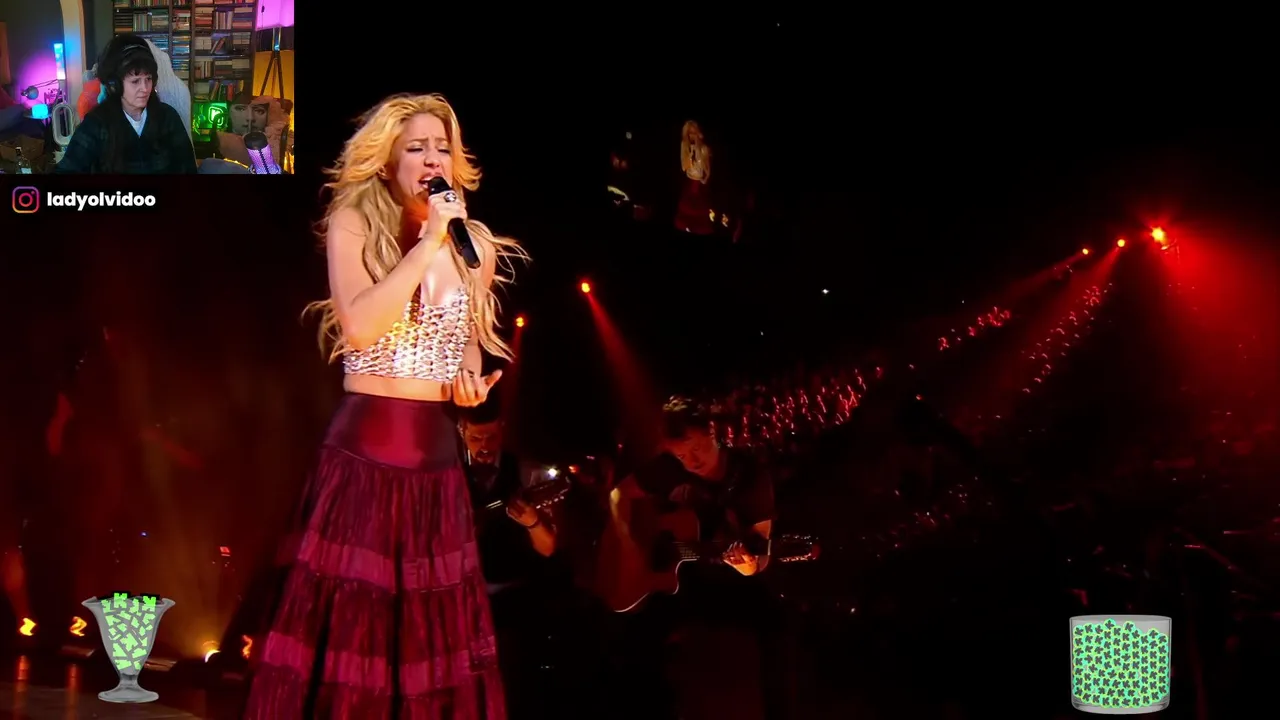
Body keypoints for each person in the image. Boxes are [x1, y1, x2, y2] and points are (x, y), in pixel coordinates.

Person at [243, 93, 527, 719]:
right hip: (365, 453)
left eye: (442, 147)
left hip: (435, 460)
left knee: (426, 636)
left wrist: (469, 385)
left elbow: (466, 350)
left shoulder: (473, 246)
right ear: (388, 159)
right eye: (417, 147)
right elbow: (362, 326)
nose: (433, 159)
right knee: (354, 629)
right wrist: (426, 244)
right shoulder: (355, 222)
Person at [607, 396, 792, 720]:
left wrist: (749, 566)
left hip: (730, 582)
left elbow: (760, 553)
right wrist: (627, 540)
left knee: (777, 632)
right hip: (682, 584)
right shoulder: (667, 468)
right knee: (626, 637)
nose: (690, 461)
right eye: (680, 455)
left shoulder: (750, 476)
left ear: (712, 432)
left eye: (695, 448)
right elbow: (618, 494)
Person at [55, 33, 195, 174]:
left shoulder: (168, 117)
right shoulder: (96, 124)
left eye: (148, 79)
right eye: (135, 81)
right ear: (114, 84)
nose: (145, 88)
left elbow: (188, 169)